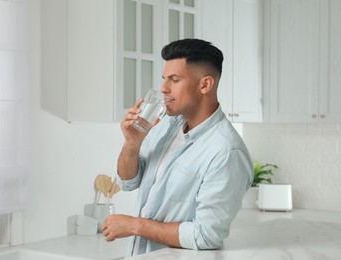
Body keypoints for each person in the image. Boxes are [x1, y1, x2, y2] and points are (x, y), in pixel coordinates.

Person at [102, 38, 253, 257]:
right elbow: (128, 181)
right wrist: (132, 145)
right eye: (164, 79)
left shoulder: (226, 152)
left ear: (205, 85)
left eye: (174, 80)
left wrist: (135, 226)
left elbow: (206, 235)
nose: (163, 88)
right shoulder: (166, 125)